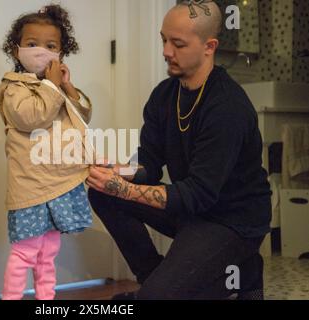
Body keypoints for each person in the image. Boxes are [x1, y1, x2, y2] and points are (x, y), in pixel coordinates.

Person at [86, 0, 272, 300]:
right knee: (102, 193)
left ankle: (241, 270)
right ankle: (154, 277)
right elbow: (150, 163)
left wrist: (124, 189)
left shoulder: (227, 107)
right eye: (163, 40)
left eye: (178, 44)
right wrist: (120, 172)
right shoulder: (164, 96)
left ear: (209, 46)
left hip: (232, 221)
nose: (166, 51)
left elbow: (199, 193)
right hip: (193, 210)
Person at [0, 4, 93, 300]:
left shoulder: (57, 86)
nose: (41, 51)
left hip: (59, 183)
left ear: (61, 53)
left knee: (48, 252)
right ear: (17, 50)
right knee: (25, 251)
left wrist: (67, 86)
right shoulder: (13, 88)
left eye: (51, 46)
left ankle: (46, 301)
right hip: (32, 186)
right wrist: (51, 85)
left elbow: (83, 115)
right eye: (32, 44)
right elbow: (32, 116)